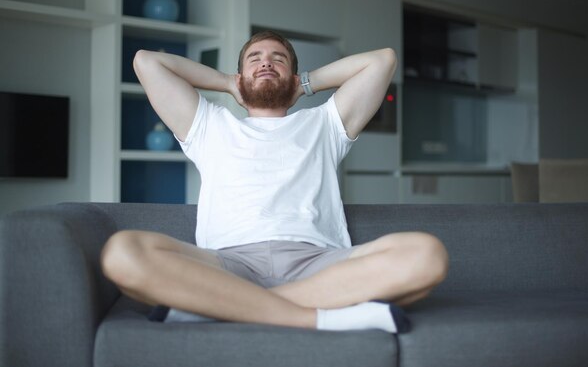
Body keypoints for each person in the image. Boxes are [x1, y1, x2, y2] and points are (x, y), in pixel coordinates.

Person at [100, 31, 448, 334]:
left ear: (293, 76)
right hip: (227, 265)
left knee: (426, 255)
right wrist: (225, 83)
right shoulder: (208, 125)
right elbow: (147, 62)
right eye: (255, 58)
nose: (266, 63)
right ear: (241, 75)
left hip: (318, 265)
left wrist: (306, 84)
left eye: (277, 58)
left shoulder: (325, 123)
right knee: (122, 253)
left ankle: (218, 308)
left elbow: (382, 60)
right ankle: (319, 318)